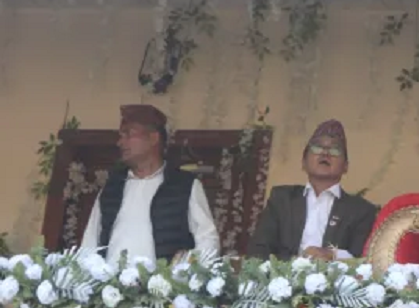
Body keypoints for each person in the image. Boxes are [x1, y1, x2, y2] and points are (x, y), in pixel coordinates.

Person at [81, 104, 219, 263]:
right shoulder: (112, 188)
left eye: (128, 134)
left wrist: (184, 273)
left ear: (153, 138)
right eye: (121, 135)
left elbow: (207, 239)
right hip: (111, 278)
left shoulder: (185, 186)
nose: (120, 142)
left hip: (162, 278)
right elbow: (90, 242)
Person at [247, 120, 377, 261]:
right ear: (303, 162)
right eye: (317, 148)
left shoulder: (361, 210)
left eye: (334, 150)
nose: (325, 154)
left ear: (345, 166)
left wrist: (332, 254)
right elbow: (259, 248)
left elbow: (361, 257)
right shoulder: (282, 199)